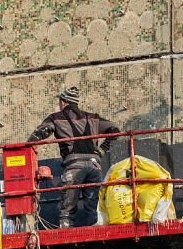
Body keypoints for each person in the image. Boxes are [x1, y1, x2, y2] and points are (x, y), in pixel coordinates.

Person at [27, 87, 120, 227]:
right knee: (92, 207)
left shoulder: (56, 118)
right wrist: (101, 150)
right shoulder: (92, 117)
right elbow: (115, 130)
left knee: (68, 208)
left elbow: (38, 135)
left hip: (74, 167)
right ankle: (94, 232)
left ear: (63, 102)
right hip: (94, 166)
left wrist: (28, 146)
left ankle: (66, 231)